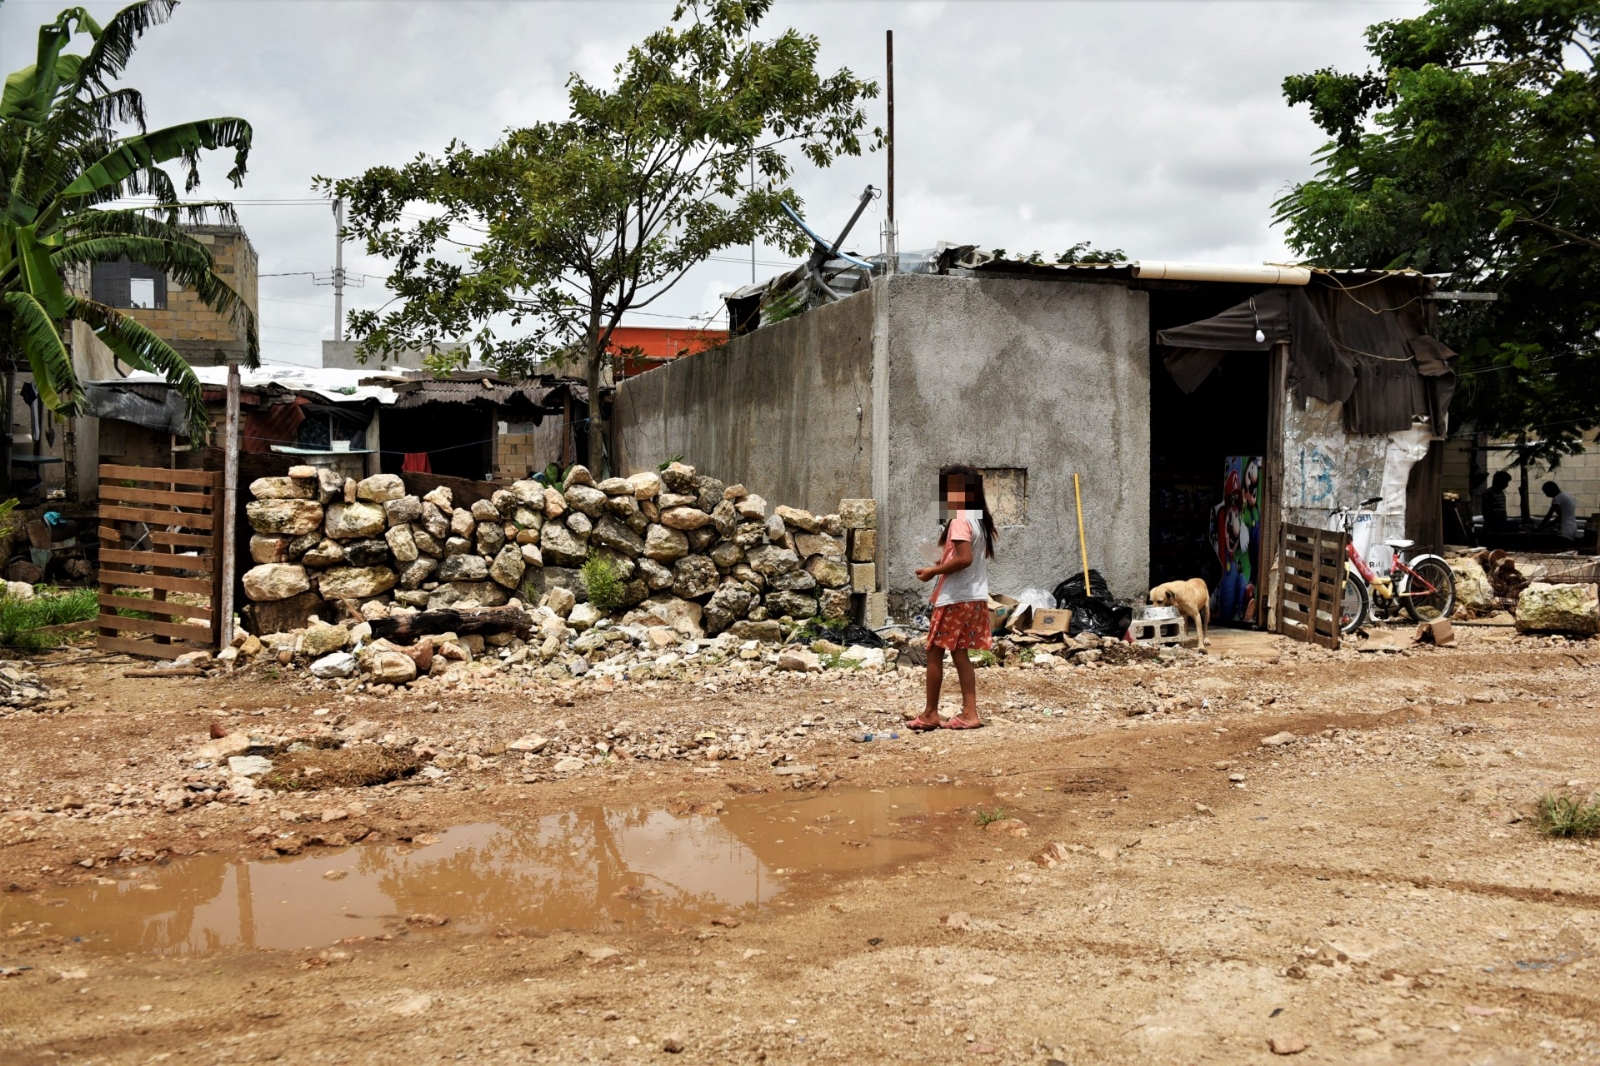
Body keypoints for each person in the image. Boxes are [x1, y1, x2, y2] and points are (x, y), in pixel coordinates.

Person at [906, 465, 998, 731]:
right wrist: (943, 561)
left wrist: (934, 569)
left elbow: (964, 559)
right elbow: (966, 557)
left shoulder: (959, 520)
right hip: (975, 597)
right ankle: (970, 712)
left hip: (955, 598)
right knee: (960, 654)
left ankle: (930, 713)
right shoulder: (977, 519)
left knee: (934, 651)